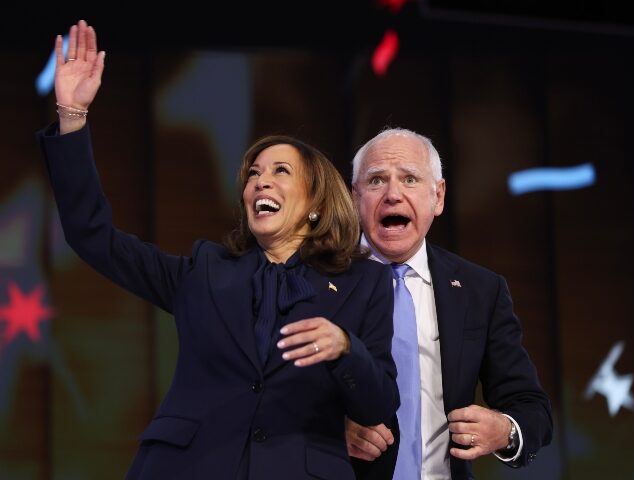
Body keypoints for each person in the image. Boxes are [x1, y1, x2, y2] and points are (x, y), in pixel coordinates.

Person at [37, 21, 399, 480]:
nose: (260, 180)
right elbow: (93, 236)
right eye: (253, 173)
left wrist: (345, 348)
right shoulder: (204, 271)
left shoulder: (363, 283)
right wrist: (72, 116)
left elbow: (381, 402)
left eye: (280, 171)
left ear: (316, 204)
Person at [346, 128, 553, 480]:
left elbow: (531, 408)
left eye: (410, 178)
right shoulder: (316, 279)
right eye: (377, 180)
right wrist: (329, 429)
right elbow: (268, 397)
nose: (393, 194)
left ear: (438, 197)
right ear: (354, 198)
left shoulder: (481, 290)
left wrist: (504, 430)